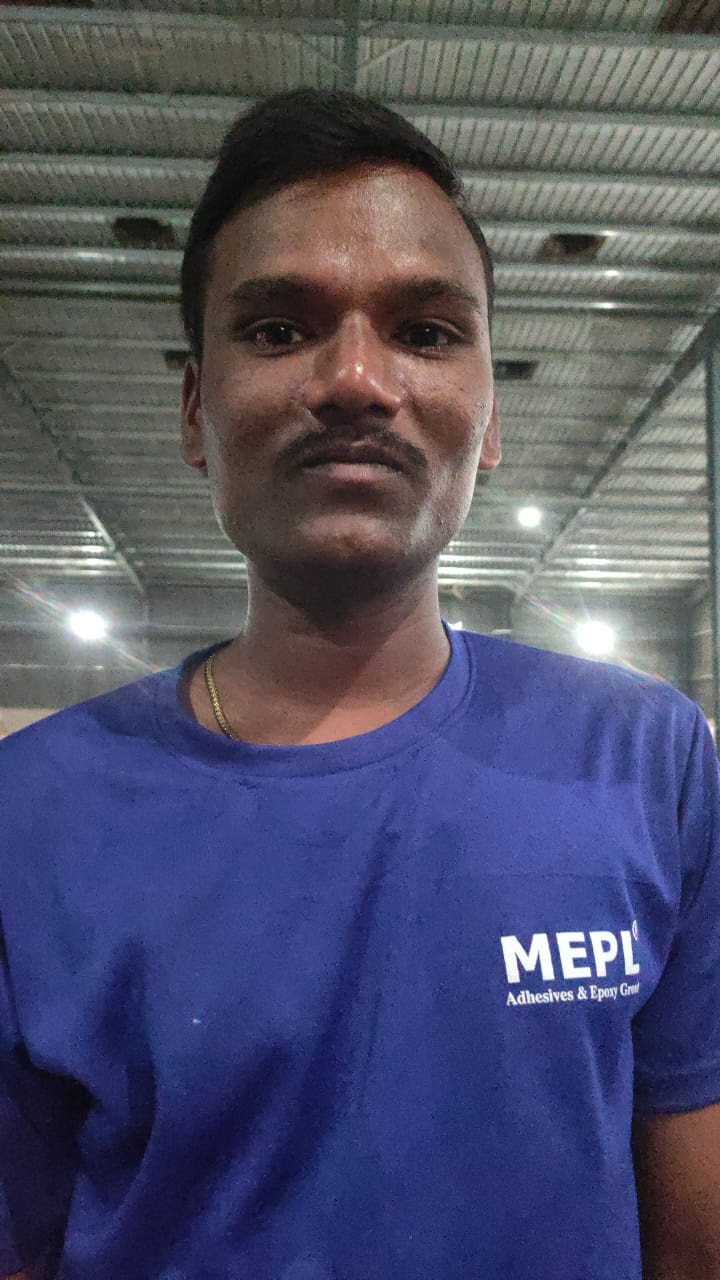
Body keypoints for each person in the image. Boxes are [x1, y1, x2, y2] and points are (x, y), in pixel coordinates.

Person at [1, 88, 719, 1280]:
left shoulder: (647, 760)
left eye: (425, 331)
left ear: (490, 418)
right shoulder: (28, 813)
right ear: (195, 409)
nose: (353, 379)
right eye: (279, 328)